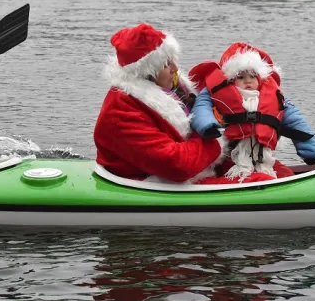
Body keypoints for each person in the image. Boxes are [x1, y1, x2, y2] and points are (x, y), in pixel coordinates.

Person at [93, 23, 226, 184]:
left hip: (191, 167)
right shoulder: (120, 112)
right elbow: (176, 165)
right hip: (149, 182)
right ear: (146, 73)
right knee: (259, 181)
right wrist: (213, 138)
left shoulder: (172, 87)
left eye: (173, 60)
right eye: (165, 65)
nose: (175, 68)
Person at [189, 42, 315, 182]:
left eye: (252, 76)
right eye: (241, 77)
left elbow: (295, 121)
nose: (248, 81)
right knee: (259, 179)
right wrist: (207, 126)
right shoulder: (217, 93)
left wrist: (308, 149)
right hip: (231, 159)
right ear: (231, 79)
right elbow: (201, 108)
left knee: (286, 174)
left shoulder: (273, 97)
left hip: (262, 158)